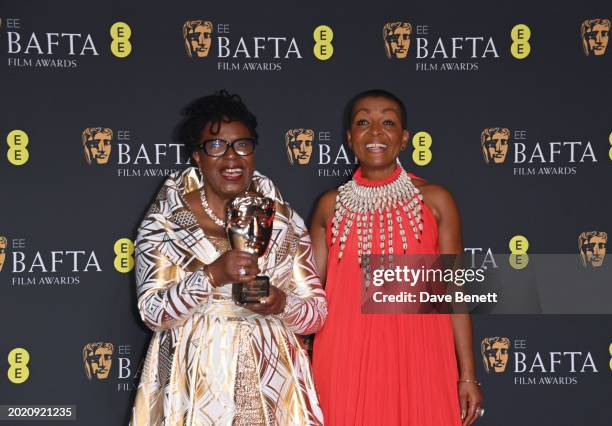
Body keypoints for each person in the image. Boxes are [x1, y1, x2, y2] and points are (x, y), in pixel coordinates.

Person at [130, 90, 326, 425]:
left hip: (272, 383)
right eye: (216, 146)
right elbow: (152, 312)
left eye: (242, 144)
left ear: (254, 151)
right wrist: (210, 276)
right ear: (197, 155)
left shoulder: (283, 221)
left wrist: (280, 302)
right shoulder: (166, 222)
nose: (231, 157)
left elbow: (316, 314)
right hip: (193, 384)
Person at [311, 90, 483, 425]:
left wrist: (467, 376)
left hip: (420, 355)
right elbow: (310, 297)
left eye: (387, 121)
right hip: (344, 353)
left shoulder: (436, 200)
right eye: (363, 122)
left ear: (404, 139)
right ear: (349, 138)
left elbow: (455, 293)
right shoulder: (329, 206)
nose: (375, 131)